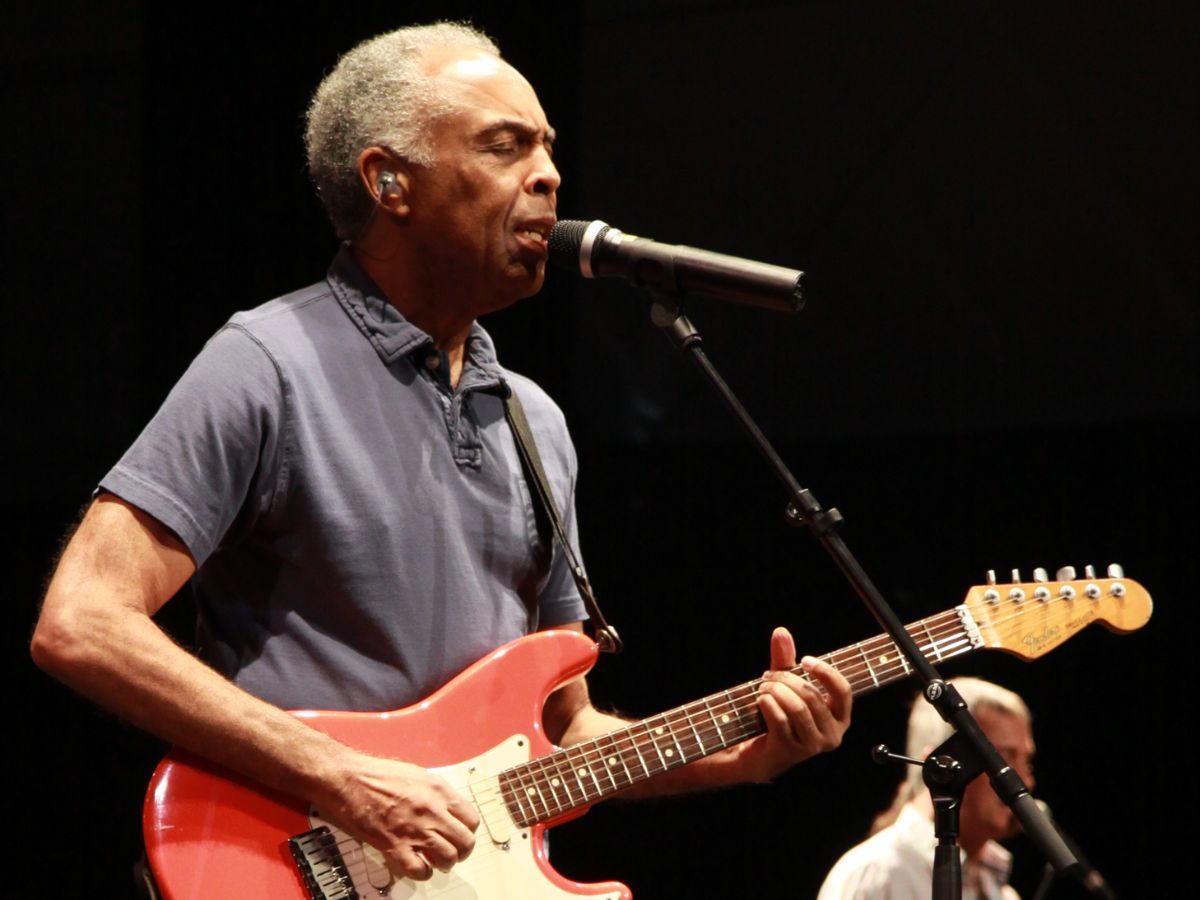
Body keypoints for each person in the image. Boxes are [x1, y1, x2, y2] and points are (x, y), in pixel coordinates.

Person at [30, 21, 852, 887]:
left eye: (548, 146)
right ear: (389, 182)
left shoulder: (535, 423)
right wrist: (343, 778)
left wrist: (745, 755)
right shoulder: (267, 364)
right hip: (279, 866)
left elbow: (565, 734)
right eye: (506, 145)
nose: (549, 173)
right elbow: (82, 622)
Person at [818, 678, 1035, 900]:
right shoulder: (875, 875)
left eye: (1026, 762)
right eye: (1003, 758)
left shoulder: (1003, 893)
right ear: (943, 763)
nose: (1025, 782)